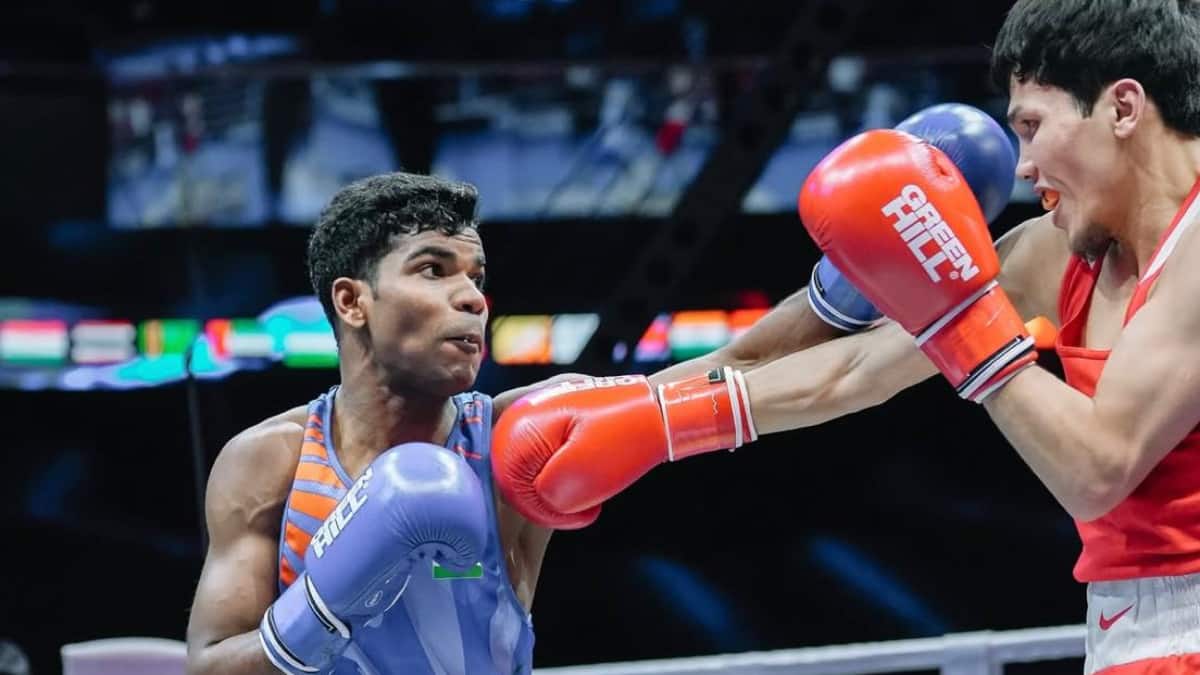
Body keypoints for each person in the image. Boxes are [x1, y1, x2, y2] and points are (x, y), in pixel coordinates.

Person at [493, 1, 1200, 672]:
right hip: (1122, 632)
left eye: (1032, 125)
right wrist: (638, 412)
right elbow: (858, 367)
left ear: (1123, 108)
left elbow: (1101, 469)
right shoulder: (1058, 252)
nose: (1023, 166)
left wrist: (961, 318)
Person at [184, 172, 745, 675]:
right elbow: (210, 668)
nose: (473, 298)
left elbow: (731, 372)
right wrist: (320, 611)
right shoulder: (267, 462)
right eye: (433, 269)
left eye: (476, 277)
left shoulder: (518, 435)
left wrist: (832, 299)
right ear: (353, 302)